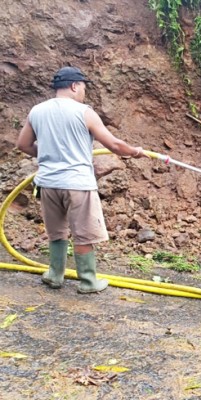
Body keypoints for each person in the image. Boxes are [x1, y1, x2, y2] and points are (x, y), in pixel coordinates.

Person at [16, 66, 148, 294]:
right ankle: (88, 282)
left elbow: (23, 145)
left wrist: (50, 153)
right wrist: (136, 151)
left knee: (56, 232)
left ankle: (55, 276)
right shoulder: (84, 111)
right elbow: (114, 145)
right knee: (84, 233)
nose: (84, 93)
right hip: (77, 184)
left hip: (48, 183)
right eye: (83, 88)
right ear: (74, 86)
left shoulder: (36, 111)